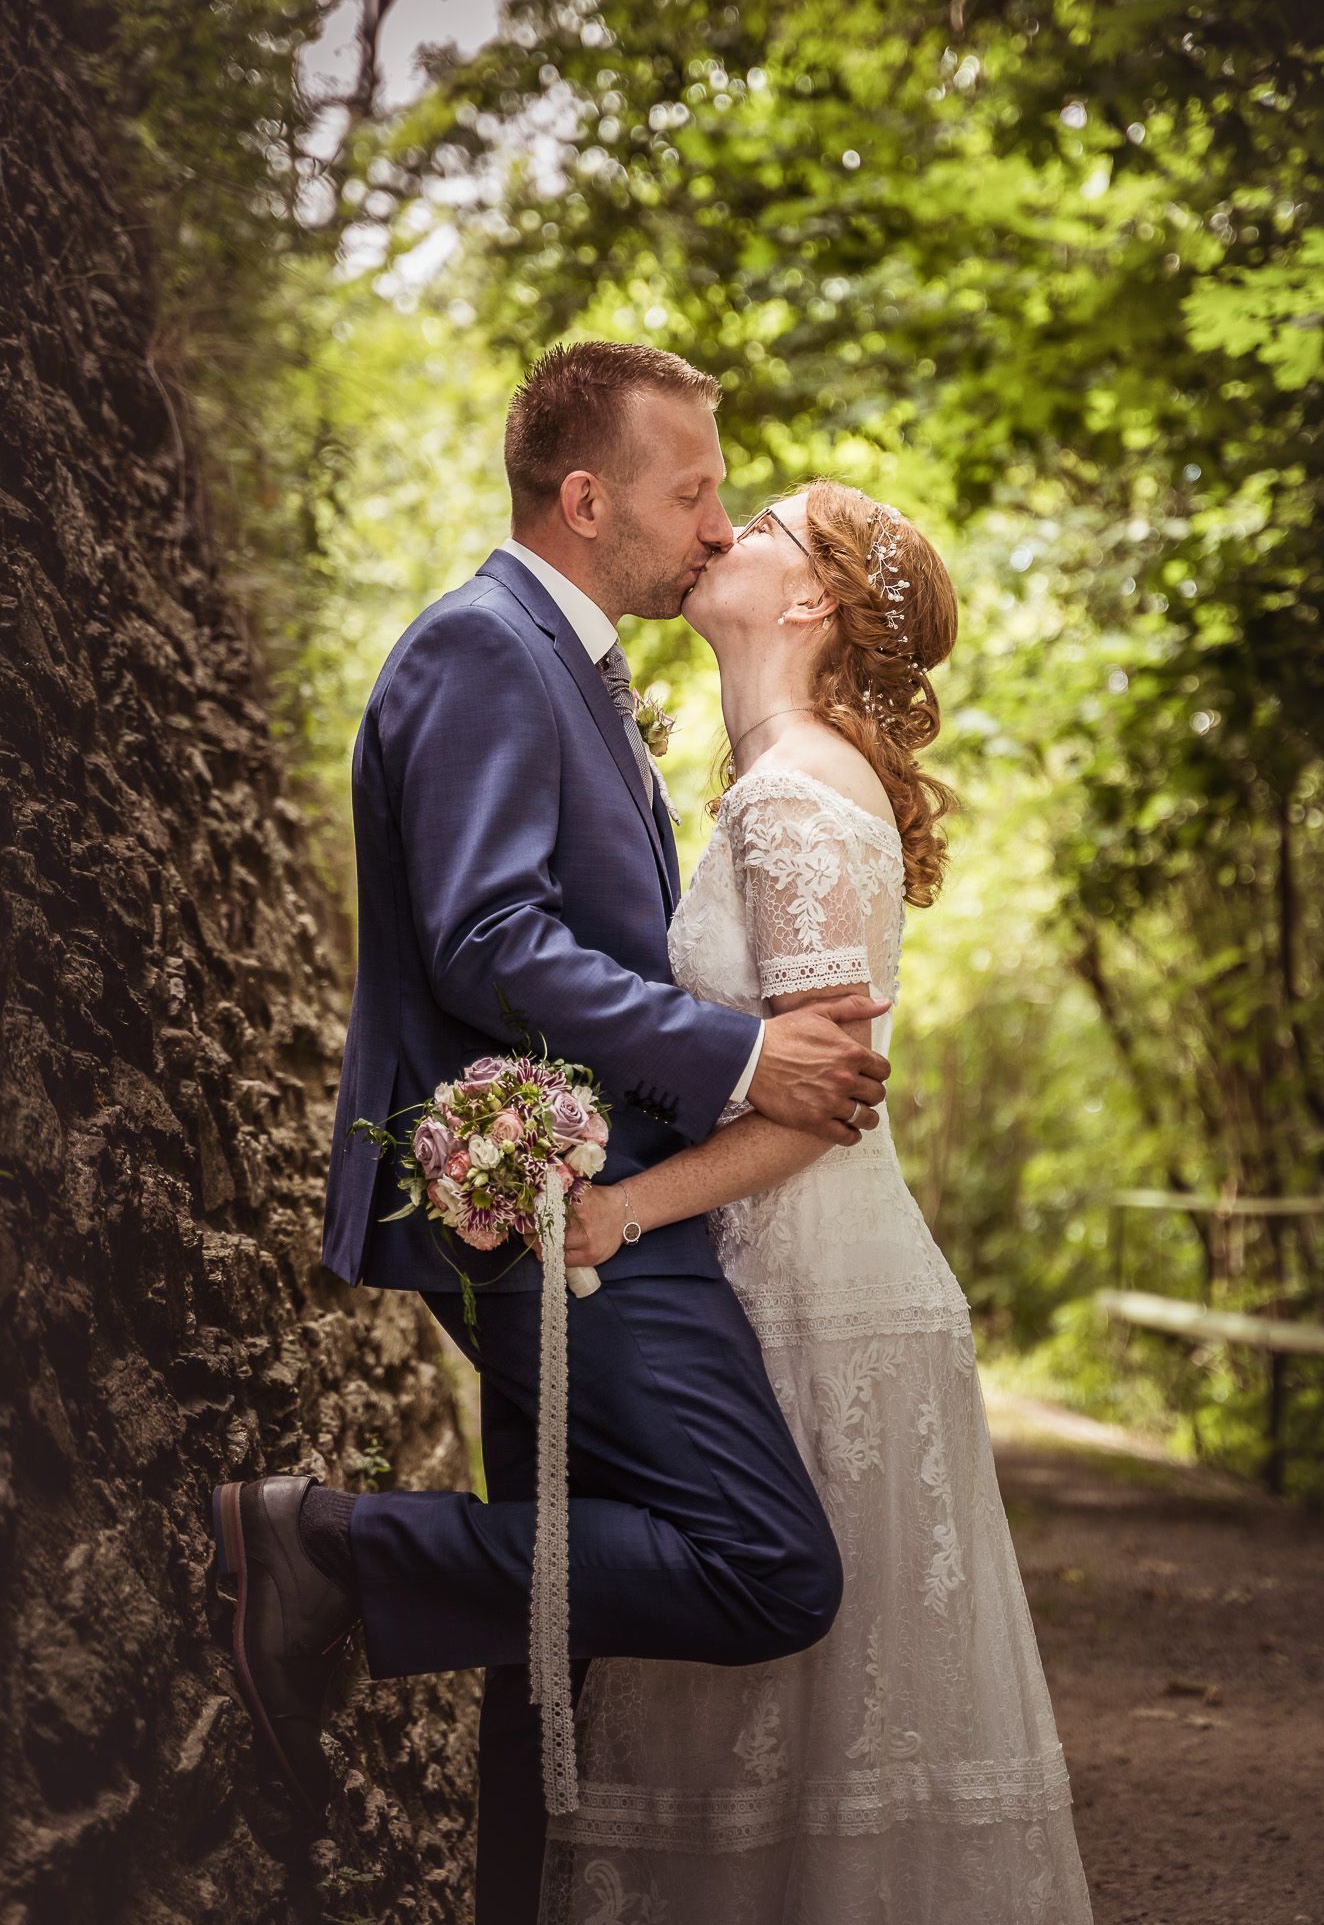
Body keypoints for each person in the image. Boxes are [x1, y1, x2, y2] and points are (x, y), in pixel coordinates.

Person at [207, 343, 895, 1924]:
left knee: (550, 1646)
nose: (718, 526)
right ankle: (326, 1545)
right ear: (587, 500)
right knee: (766, 1566)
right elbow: (488, 939)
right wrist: (740, 1058)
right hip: (544, 1201)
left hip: (580, 1190)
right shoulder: (483, 649)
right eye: (693, 491)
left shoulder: (563, 660)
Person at [527, 479, 1096, 1922]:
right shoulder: (786, 770)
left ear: (813, 602)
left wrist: (628, 1212)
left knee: (793, 1696)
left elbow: (824, 1106)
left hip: (809, 1292)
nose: (721, 534)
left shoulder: (791, 789)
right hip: (795, 1271)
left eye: (759, 522)